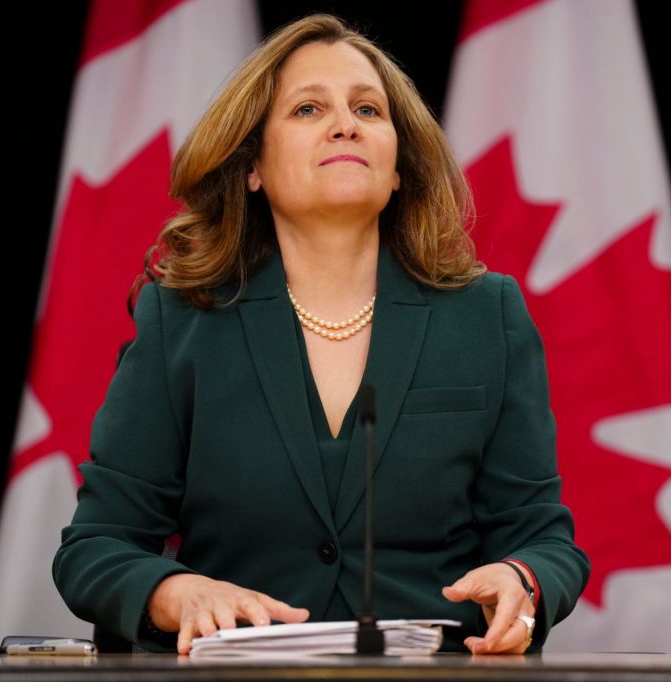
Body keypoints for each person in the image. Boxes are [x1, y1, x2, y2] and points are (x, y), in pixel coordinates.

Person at [53, 13, 589, 656]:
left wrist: (522, 580)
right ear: (252, 166)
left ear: (396, 169)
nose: (345, 124)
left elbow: (543, 540)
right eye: (308, 109)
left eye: (368, 109)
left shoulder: (485, 314)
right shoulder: (184, 320)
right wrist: (176, 593)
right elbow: (96, 546)